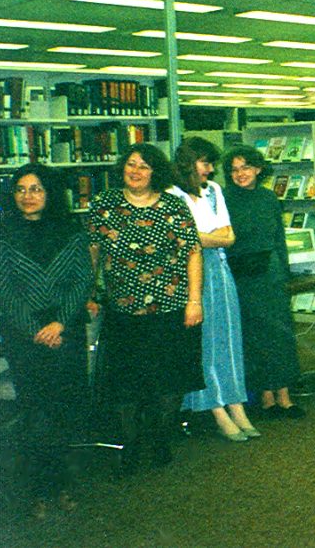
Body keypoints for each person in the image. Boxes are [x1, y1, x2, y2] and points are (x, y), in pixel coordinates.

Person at [88, 143, 204, 472]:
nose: (136, 171)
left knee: (168, 381)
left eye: (144, 166)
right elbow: (92, 251)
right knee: (125, 385)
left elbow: (193, 253)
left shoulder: (173, 205)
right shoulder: (104, 204)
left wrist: (195, 301)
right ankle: (131, 443)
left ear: (156, 172)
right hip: (122, 313)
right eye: (131, 164)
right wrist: (89, 293)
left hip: (170, 310)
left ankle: (159, 440)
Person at [0, 164, 91, 518]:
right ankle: (38, 489)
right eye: (21, 189)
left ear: (50, 193)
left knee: (64, 408)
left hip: (65, 331)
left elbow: (82, 279)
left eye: (36, 189)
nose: (28, 196)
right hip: (24, 335)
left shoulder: (71, 230)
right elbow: (3, 289)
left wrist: (59, 323)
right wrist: (36, 329)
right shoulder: (2, 233)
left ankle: (64, 484)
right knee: (34, 410)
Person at [171, 138, 260, 442]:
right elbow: (184, 240)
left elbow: (229, 236)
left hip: (220, 269)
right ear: (189, 163)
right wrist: (209, 237)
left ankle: (236, 405)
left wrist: (204, 236)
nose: (210, 169)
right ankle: (216, 409)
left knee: (229, 337)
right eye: (205, 163)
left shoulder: (214, 191)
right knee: (206, 341)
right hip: (190, 271)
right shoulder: (171, 195)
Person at [221, 145, 305, 420]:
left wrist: (286, 273)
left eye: (245, 167)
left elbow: (279, 238)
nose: (240, 174)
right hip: (241, 275)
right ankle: (266, 398)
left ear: (258, 169)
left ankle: (285, 396)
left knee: (280, 333)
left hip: (270, 272)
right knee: (253, 335)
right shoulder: (223, 199)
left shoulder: (269, 198)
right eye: (234, 169)